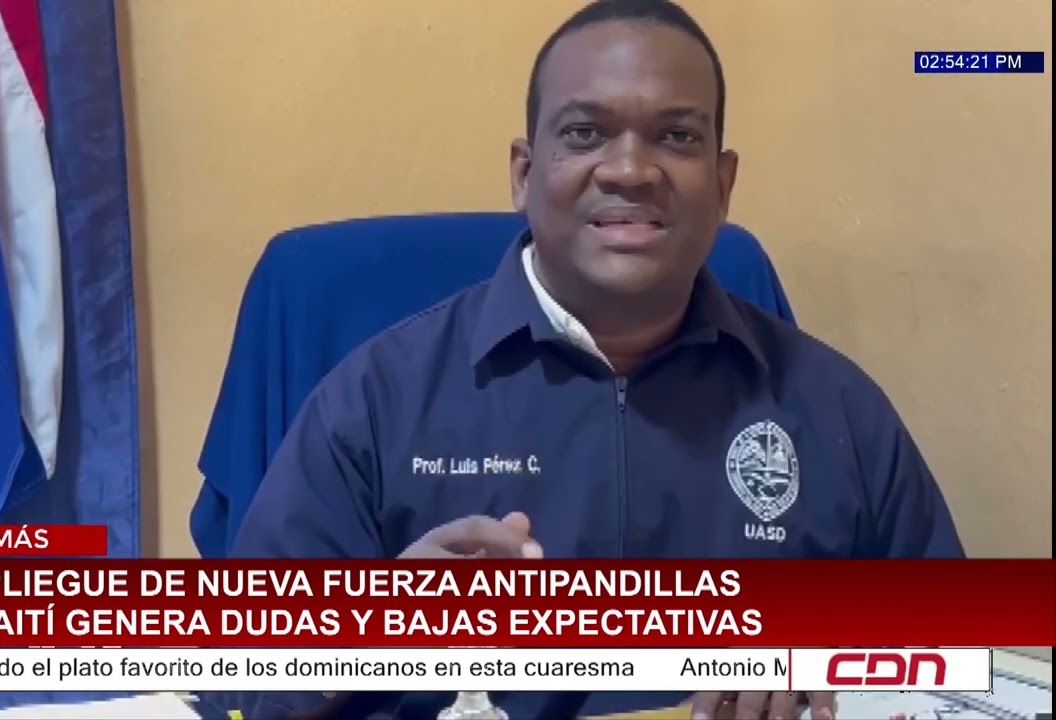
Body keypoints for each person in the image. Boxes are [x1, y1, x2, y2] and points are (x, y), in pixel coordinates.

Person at [213, 0, 966, 718]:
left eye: (677, 136)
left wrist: (837, 659)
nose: (630, 169)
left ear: (723, 184)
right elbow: (235, 688)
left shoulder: (837, 410)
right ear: (523, 173)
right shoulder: (374, 402)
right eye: (584, 133)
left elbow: (955, 665)